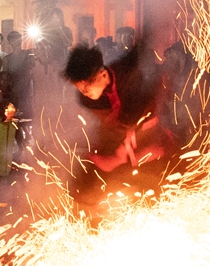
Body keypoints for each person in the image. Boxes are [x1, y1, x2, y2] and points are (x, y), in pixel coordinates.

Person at [62, 41, 173, 207]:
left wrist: (134, 139)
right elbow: (112, 126)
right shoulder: (89, 100)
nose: (85, 93)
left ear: (103, 75)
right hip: (120, 142)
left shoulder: (126, 72)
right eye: (81, 89)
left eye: (87, 87)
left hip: (149, 135)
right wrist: (115, 155)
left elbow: (148, 105)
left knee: (154, 177)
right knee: (87, 182)